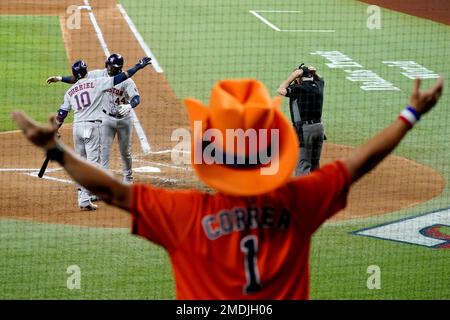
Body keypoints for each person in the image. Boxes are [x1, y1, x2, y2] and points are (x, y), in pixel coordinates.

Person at [12, 76, 443, 299]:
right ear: (272, 154)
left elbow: (112, 191)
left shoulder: (185, 215)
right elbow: (359, 162)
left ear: (211, 159)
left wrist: (57, 150)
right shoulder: (301, 199)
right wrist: (410, 113)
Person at [52, 56, 151, 210]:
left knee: (90, 160)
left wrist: (54, 129)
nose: (115, 70)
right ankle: (96, 191)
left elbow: (62, 112)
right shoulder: (97, 80)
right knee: (96, 161)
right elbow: (123, 76)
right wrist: (138, 67)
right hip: (99, 124)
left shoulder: (70, 92)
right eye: (113, 67)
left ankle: (88, 195)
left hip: (82, 126)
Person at [47, 53, 140, 184]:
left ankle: (128, 178)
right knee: (103, 153)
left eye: (113, 67)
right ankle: (104, 183)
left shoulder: (127, 81)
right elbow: (79, 79)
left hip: (124, 119)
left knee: (125, 152)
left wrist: (130, 105)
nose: (109, 68)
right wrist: (60, 78)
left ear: (119, 68)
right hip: (106, 119)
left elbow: (136, 98)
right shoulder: (98, 75)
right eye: (109, 65)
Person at [277, 64, 325, 176]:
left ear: (299, 78)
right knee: (315, 164)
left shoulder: (299, 89)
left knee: (303, 164)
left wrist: (292, 76)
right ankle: (317, 191)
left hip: (305, 131)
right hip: (319, 129)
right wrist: (313, 72)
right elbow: (320, 78)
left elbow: (280, 90)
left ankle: (301, 192)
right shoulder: (319, 85)